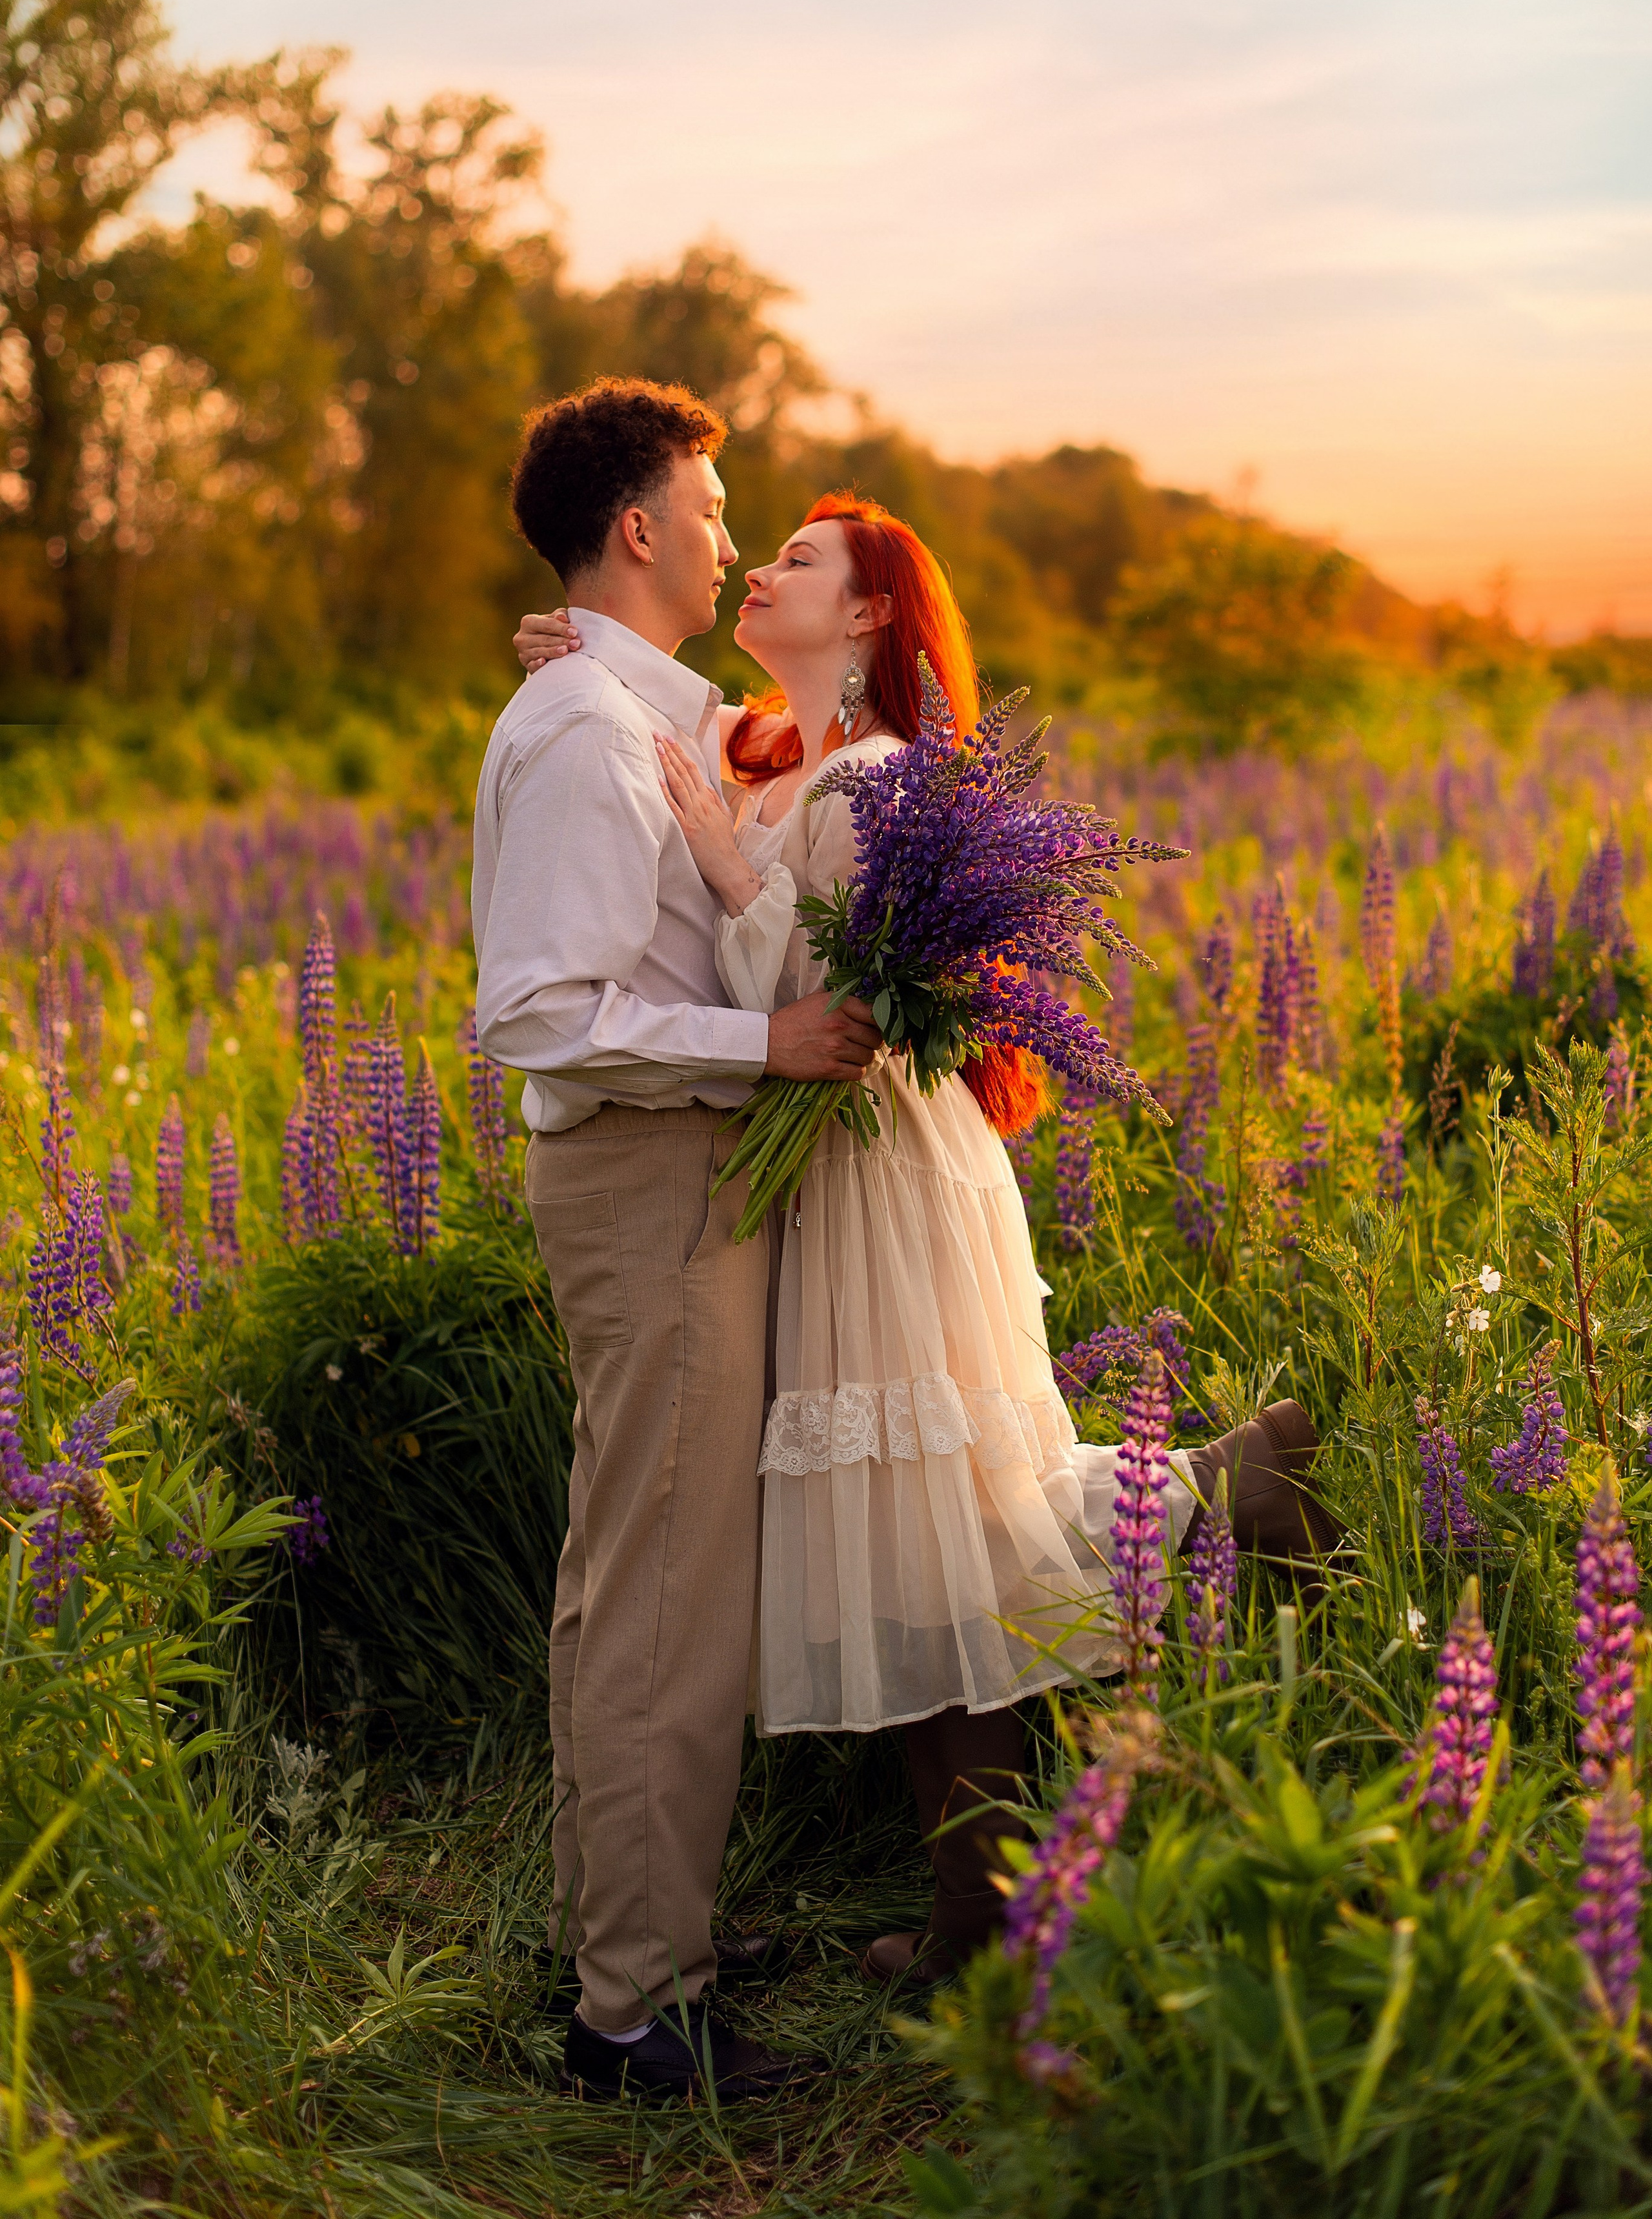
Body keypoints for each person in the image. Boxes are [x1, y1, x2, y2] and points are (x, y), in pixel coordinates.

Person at [514, 491, 1340, 1991]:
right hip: (835, 1169)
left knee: (930, 1522)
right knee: (913, 1528)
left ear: (869, 613)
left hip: (878, 1172)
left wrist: (723, 863)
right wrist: (581, 651)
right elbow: (690, 745)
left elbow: (810, 1000)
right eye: (758, 545)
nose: (759, 566)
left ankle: (1199, 1518)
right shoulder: (788, 751)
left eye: (799, 560)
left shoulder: (875, 775)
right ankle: (988, 1890)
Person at [474, 378, 884, 2102]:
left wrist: (579, 646)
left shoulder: (620, 701)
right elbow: (537, 1011)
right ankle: (636, 2011)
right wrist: (762, 1044)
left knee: (622, 1572)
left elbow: (751, 764)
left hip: (657, 1177)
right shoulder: (587, 726)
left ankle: (621, 1925)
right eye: (711, 513)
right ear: (636, 527)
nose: (729, 542)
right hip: (653, 1175)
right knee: (668, 1594)